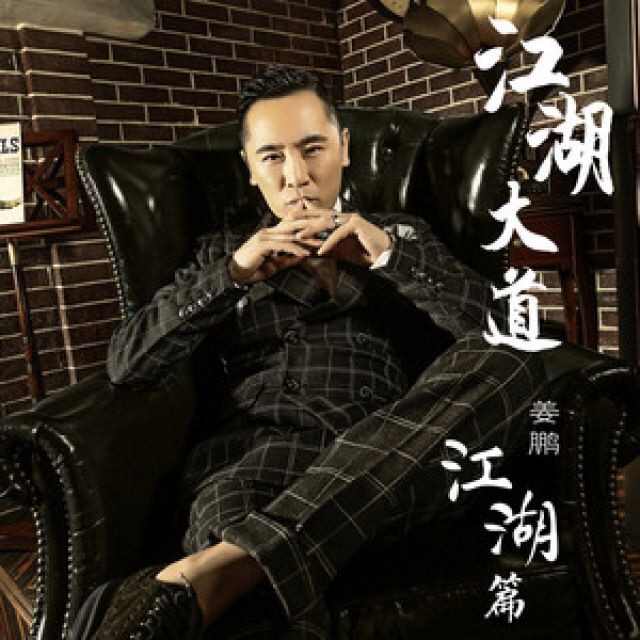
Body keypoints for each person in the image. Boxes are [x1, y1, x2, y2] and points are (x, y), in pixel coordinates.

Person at [71, 65, 546, 639]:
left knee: (511, 360)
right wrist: (232, 275)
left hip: (397, 460)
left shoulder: (400, 233)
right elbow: (128, 365)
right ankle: (246, 560)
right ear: (250, 169)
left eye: (312, 148)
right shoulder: (222, 252)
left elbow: (507, 335)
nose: (296, 176)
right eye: (272, 156)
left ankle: (217, 570)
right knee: (234, 531)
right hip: (257, 466)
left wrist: (390, 257)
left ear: (343, 147)